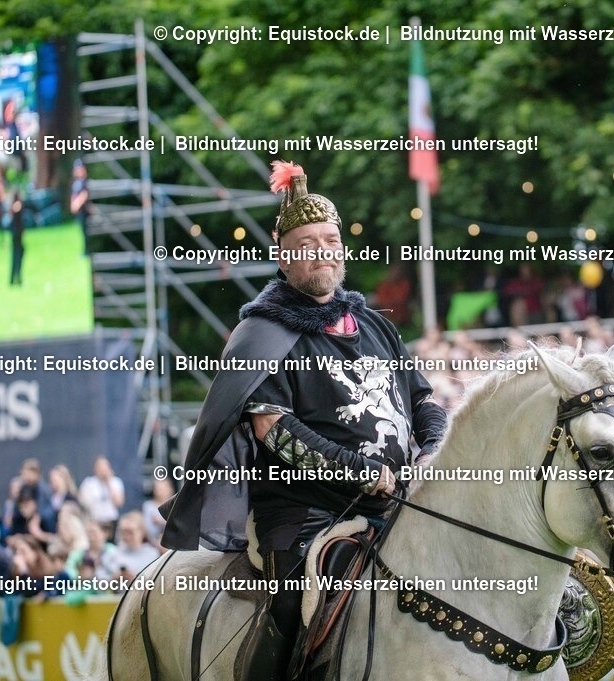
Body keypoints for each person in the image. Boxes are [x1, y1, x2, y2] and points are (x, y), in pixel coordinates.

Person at [160, 162, 447, 681]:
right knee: (291, 607)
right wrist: (360, 470)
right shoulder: (260, 335)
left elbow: (423, 400)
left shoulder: (376, 323)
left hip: (402, 501)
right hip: (305, 510)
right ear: (283, 254)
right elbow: (275, 430)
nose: (321, 250)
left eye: (330, 239)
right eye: (307, 241)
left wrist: (433, 449)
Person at [101, 511, 160, 584]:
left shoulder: (153, 554)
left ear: (142, 532)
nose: (126, 536)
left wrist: (136, 580)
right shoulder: (113, 553)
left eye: (130, 532)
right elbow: (99, 580)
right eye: (123, 532)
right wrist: (114, 578)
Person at [78, 456, 126, 533]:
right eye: (100, 468)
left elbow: (119, 503)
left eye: (104, 468)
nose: (102, 471)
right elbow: (84, 503)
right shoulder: (88, 483)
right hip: (95, 520)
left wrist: (108, 483)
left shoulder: (116, 482)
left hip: (111, 520)